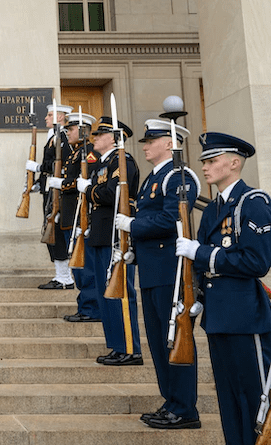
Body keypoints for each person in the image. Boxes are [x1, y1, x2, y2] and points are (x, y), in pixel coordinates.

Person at [176, 132, 271, 444]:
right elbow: (204, 265)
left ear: (234, 163)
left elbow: (257, 263)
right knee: (229, 402)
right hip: (218, 317)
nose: (205, 167)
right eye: (204, 161)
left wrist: (200, 253)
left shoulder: (253, 203)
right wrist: (197, 296)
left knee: (255, 400)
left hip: (245, 316)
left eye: (212, 160)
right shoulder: (214, 208)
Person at [115, 119, 200, 428]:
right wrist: (133, 246)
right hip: (152, 270)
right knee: (157, 339)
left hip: (171, 272)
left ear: (169, 143)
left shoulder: (179, 176)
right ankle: (171, 401)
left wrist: (132, 226)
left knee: (175, 340)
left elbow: (169, 219)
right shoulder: (155, 176)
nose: (146, 146)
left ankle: (185, 408)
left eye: (152, 140)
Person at [76, 117, 142, 366]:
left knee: (120, 292)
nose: (94, 139)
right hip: (100, 233)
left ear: (114, 138)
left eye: (99, 135)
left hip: (115, 235)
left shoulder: (122, 161)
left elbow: (114, 193)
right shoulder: (103, 164)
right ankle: (117, 345)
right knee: (107, 294)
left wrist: (88, 189)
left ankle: (130, 349)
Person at [49, 112, 100, 322]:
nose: (67, 132)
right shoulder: (74, 152)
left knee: (84, 267)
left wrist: (62, 184)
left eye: (70, 129)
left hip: (81, 216)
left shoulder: (88, 152)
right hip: (71, 214)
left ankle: (91, 308)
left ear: (82, 130)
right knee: (78, 267)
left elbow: (83, 180)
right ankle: (86, 306)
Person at [26, 103, 75, 289]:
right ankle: (60, 275)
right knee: (51, 233)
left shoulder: (63, 137)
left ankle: (65, 278)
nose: (46, 118)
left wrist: (38, 168)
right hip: (49, 190)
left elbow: (61, 164)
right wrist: (39, 182)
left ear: (61, 117)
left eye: (49, 115)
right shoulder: (53, 136)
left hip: (58, 192)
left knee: (57, 233)